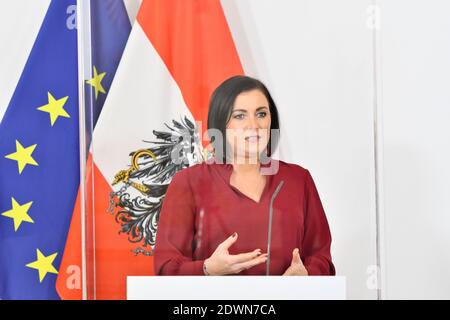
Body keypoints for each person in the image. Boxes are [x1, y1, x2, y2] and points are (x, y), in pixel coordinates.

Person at [153, 75, 335, 276]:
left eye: (261, 114)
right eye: (240, 116)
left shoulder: (298, 180)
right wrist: (206, 269)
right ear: (220, 124)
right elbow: (166, 268)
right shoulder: (188, 182)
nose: (254, 125)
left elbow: (321, 258)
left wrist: (307, 274)